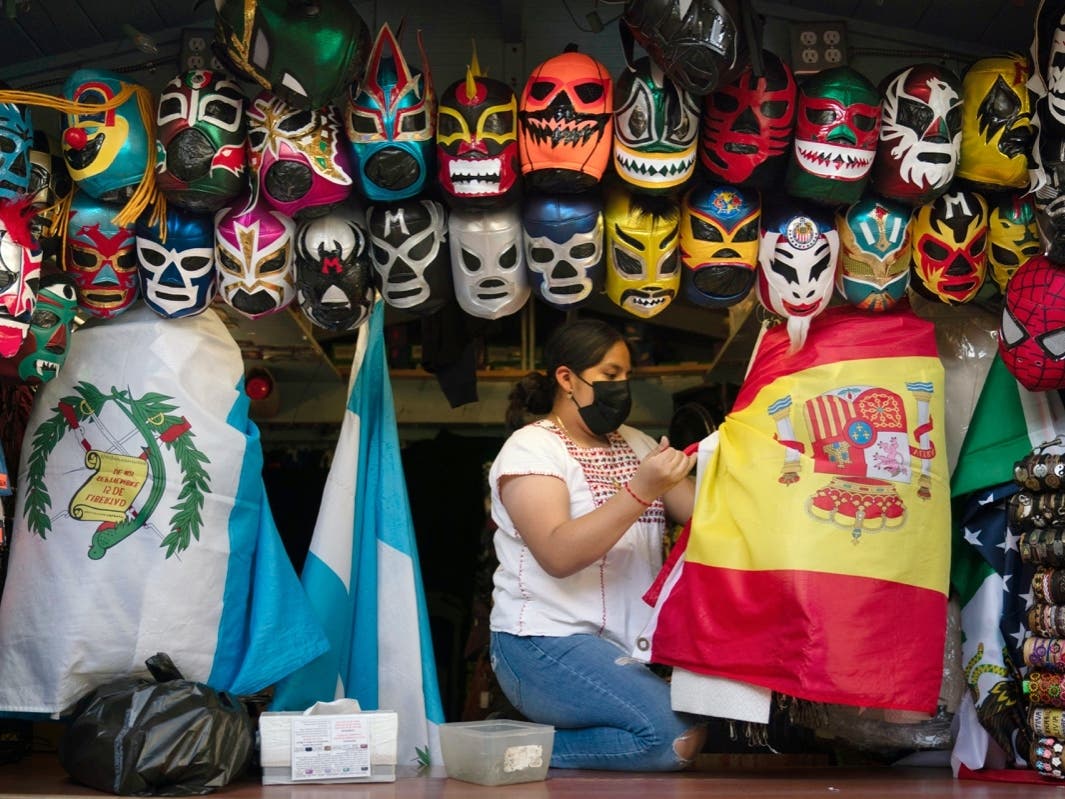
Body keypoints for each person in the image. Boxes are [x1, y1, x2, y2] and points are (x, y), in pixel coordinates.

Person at [488, 316, 707, 771]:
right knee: (674, 739)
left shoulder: (636, 442)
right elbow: (557, 553)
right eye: (610, 375)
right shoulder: (530, 449)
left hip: (620, 648)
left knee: (688, 729)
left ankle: (534, 746)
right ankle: (510, 754)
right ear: (567, 378)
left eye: (627, 376)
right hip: (541, 642)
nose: (621, 387)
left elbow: (705, 518)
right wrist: (641, 491)